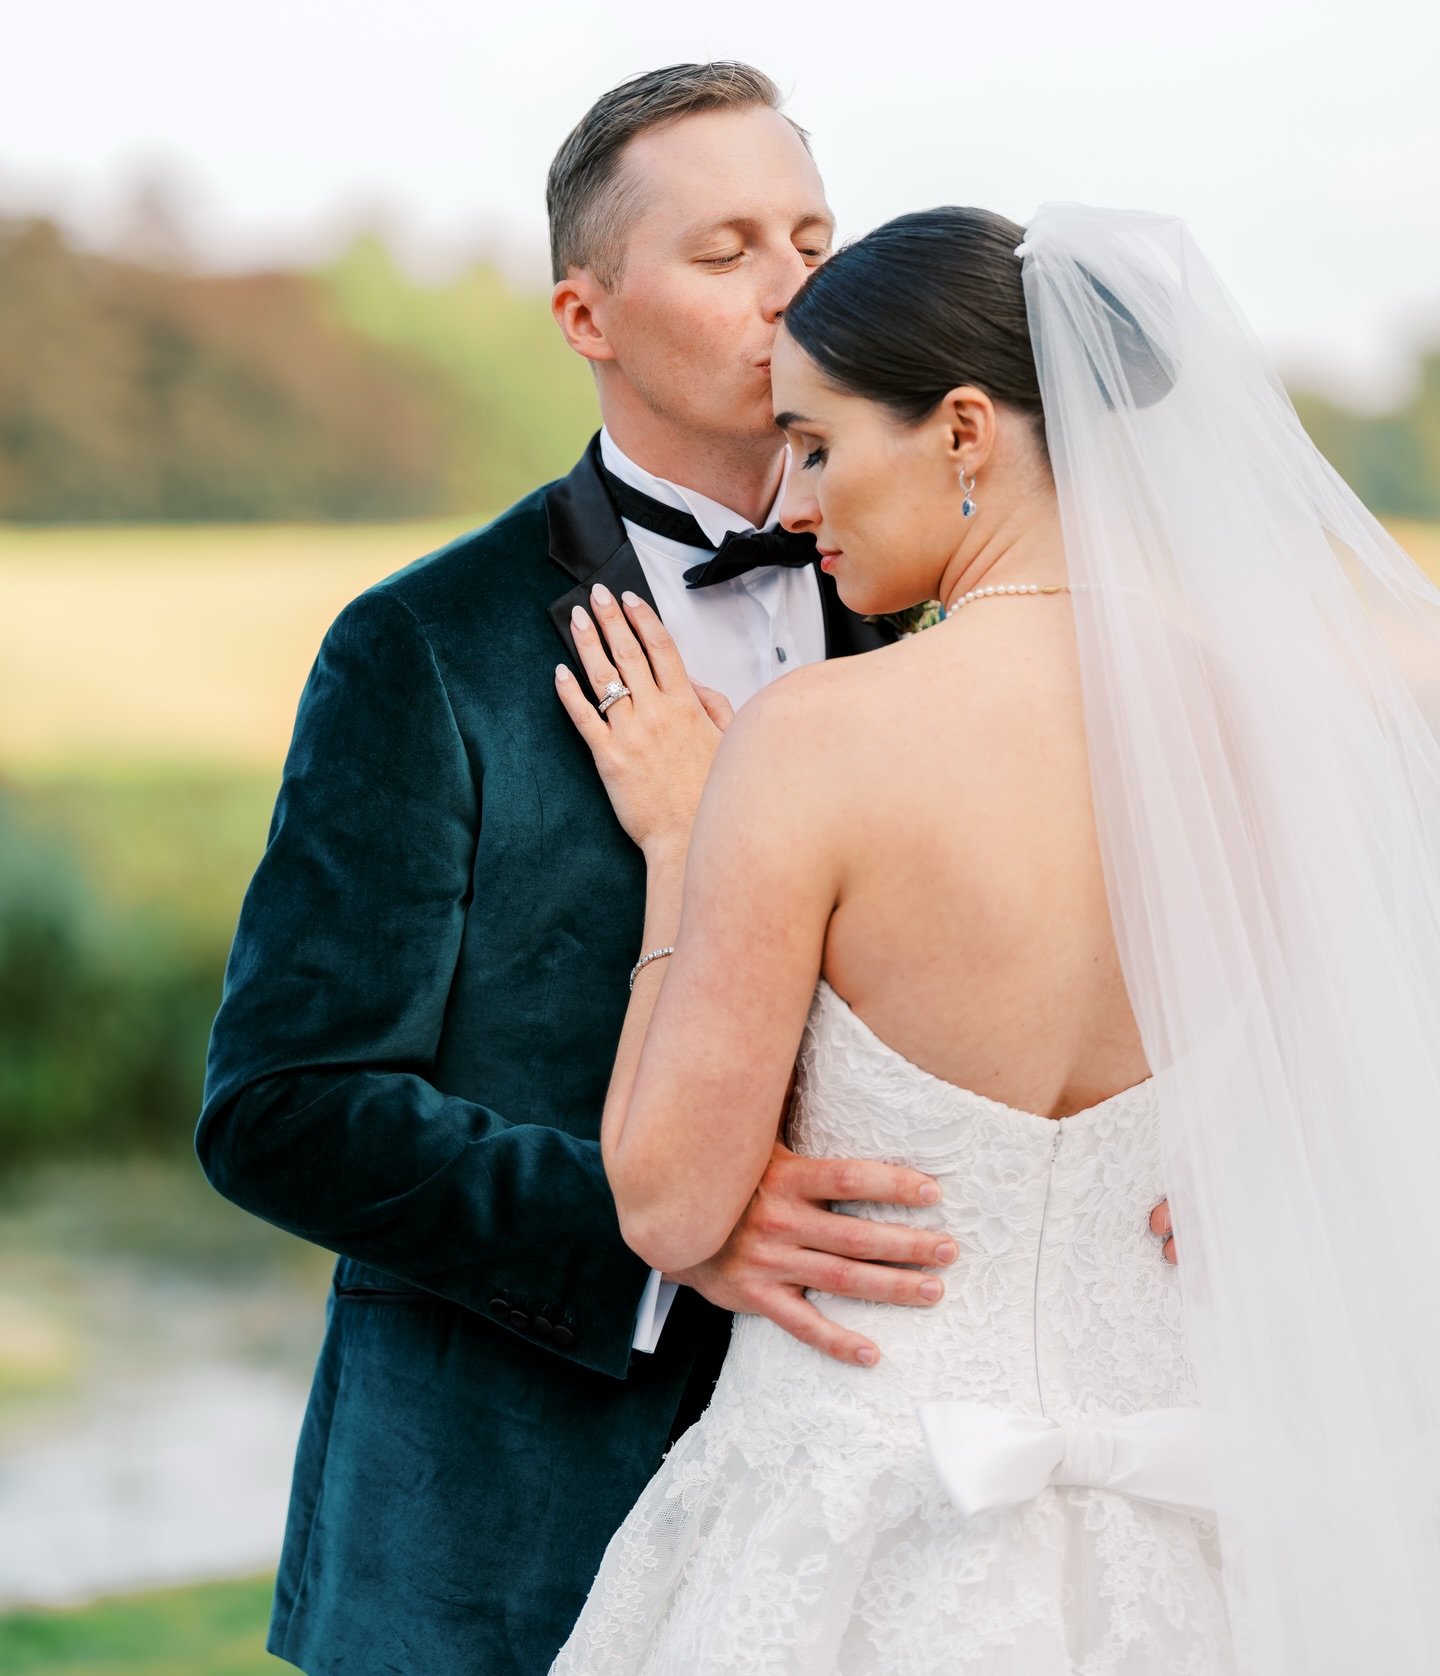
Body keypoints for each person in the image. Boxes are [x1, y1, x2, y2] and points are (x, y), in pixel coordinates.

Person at [549, 204, 1440, 1672]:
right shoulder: (1281, 738)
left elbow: (668, 1205)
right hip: (1187, 1527)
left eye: (821, 446)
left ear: (965, 431)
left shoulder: (817, 742)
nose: (794, 497)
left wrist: (674, 844)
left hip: (854, 1519)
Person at [194, 64, 954, 1676]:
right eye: (727, 249)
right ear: (586, 315)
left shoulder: (936, 625)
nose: (797, 287)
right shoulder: (423, 650)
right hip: (495, 1530)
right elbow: (285, 1105)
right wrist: (661, 1232)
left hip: (869, 1516)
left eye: (816, 234)